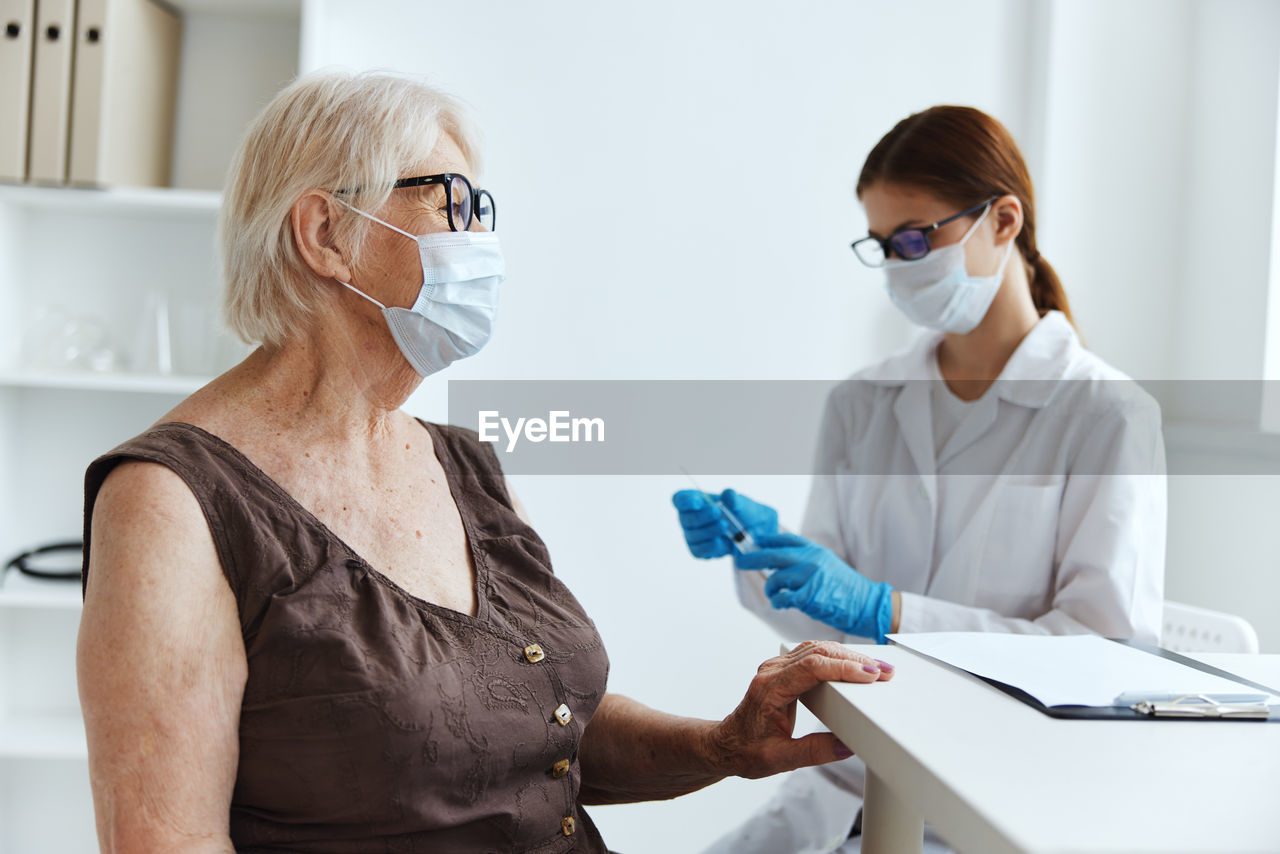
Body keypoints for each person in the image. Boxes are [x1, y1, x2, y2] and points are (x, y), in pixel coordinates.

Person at [75, 71, 894, 854]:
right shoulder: (171, 499)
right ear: (326, 234)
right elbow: (167, 839)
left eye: (483, 207)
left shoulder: (462, 463)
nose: (482, 240)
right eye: (451, 200)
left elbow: (546, 732)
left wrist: (721, 744)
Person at [673, 105, 1166, 853]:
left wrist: (892, 611)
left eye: (915, 238)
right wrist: (764, 559)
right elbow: (831, 628)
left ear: (1004, 221)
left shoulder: (1107, 415)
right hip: (844, 789)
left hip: (998, 805)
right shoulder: (863, 404)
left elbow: (1100, 658)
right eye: (882, 245)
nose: (900, 264)